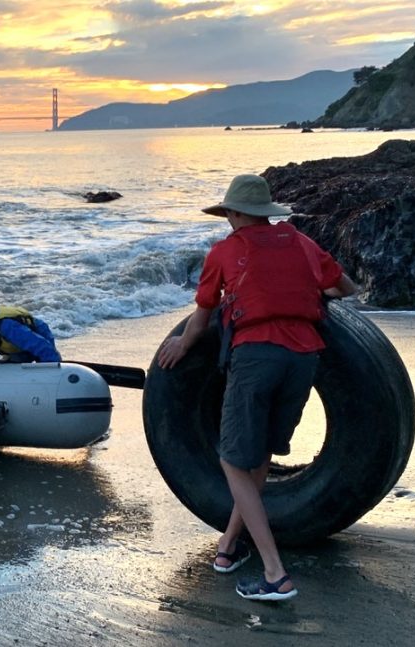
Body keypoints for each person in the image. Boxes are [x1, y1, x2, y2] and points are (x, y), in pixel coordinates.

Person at [156, 174, 357, 601]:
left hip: (256, 358)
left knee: (231, 460)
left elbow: (204, 314)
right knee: (259, 451)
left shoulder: (225, 252)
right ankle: (229, 547)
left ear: (232, 214)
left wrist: (182, 344)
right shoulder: (301, 243)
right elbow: (343, 287)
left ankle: (275, 574)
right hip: (305, 357)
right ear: (265, 214)